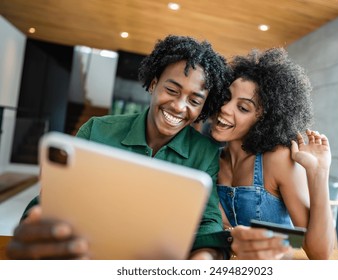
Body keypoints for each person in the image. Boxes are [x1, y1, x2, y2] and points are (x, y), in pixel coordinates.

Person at [6, 35, 234, 260]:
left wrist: (203, 260)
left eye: (194, 101)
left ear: (203, 106)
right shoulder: (97, 131)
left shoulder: (204, 152)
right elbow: (51, 203)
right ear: (154, 84)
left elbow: (208, 222)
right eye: (172, 90)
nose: (178, 106)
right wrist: (35, 229)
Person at [210, 48, 335, 260]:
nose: (225, 108)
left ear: (263, 120)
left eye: (243, 108)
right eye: (226, 98)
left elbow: (318, 252)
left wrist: (318, 172)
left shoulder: (277, 159)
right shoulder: (210, 159)